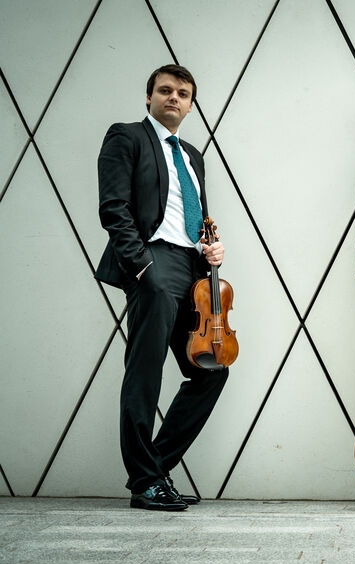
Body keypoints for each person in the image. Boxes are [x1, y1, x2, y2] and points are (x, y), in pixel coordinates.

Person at [96, 64, 228, 511]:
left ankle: (154, 471)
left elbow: (195, 218)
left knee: (211, 370)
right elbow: (114, 208)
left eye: (183, 93)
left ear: (191, 104)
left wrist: (210, 248)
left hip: (193, 270)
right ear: (149, 97)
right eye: (165, 90)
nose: (174, 98)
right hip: (153, 263)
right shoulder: (126, 136)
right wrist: (142, 268)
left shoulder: (193, 154)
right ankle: (146, 481)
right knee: (146, 373)